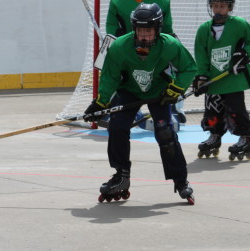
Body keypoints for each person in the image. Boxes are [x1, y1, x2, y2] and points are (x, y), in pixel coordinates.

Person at [84, 3, 197, 205]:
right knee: (117, 127)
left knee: (165, 132)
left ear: (158, 29)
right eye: (140, 30)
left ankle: (180, 180)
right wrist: (100, 103)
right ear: (134, 28)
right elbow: (110, 77)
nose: (144, 36)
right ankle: (121, 175)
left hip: (159, 92)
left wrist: (174, 89)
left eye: (149, 31)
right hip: (129, 91)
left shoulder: (170, 44)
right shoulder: (119, 47)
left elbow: (189, 68)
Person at [193, 0, 250, 161]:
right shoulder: (203, 29)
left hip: (233, 79)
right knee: (212, 111)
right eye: (215, 6)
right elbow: (201, 54)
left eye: (222, 6)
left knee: (236, 110)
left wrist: (244, 55)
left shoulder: (240, 24)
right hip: (215, 80)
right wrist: (201, 76)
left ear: (229, 8)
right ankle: (215, 136)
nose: (218, 9)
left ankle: (245, 137)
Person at [104, 0, 186, 128]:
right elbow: (111, 26)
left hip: (154, 51)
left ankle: (175, 109)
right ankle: (114, 108)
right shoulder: (117, 2)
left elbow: (167, 30)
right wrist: (121, 44)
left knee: (170, 74)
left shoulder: (163, 2)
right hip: (128, 53)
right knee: (118, 78)